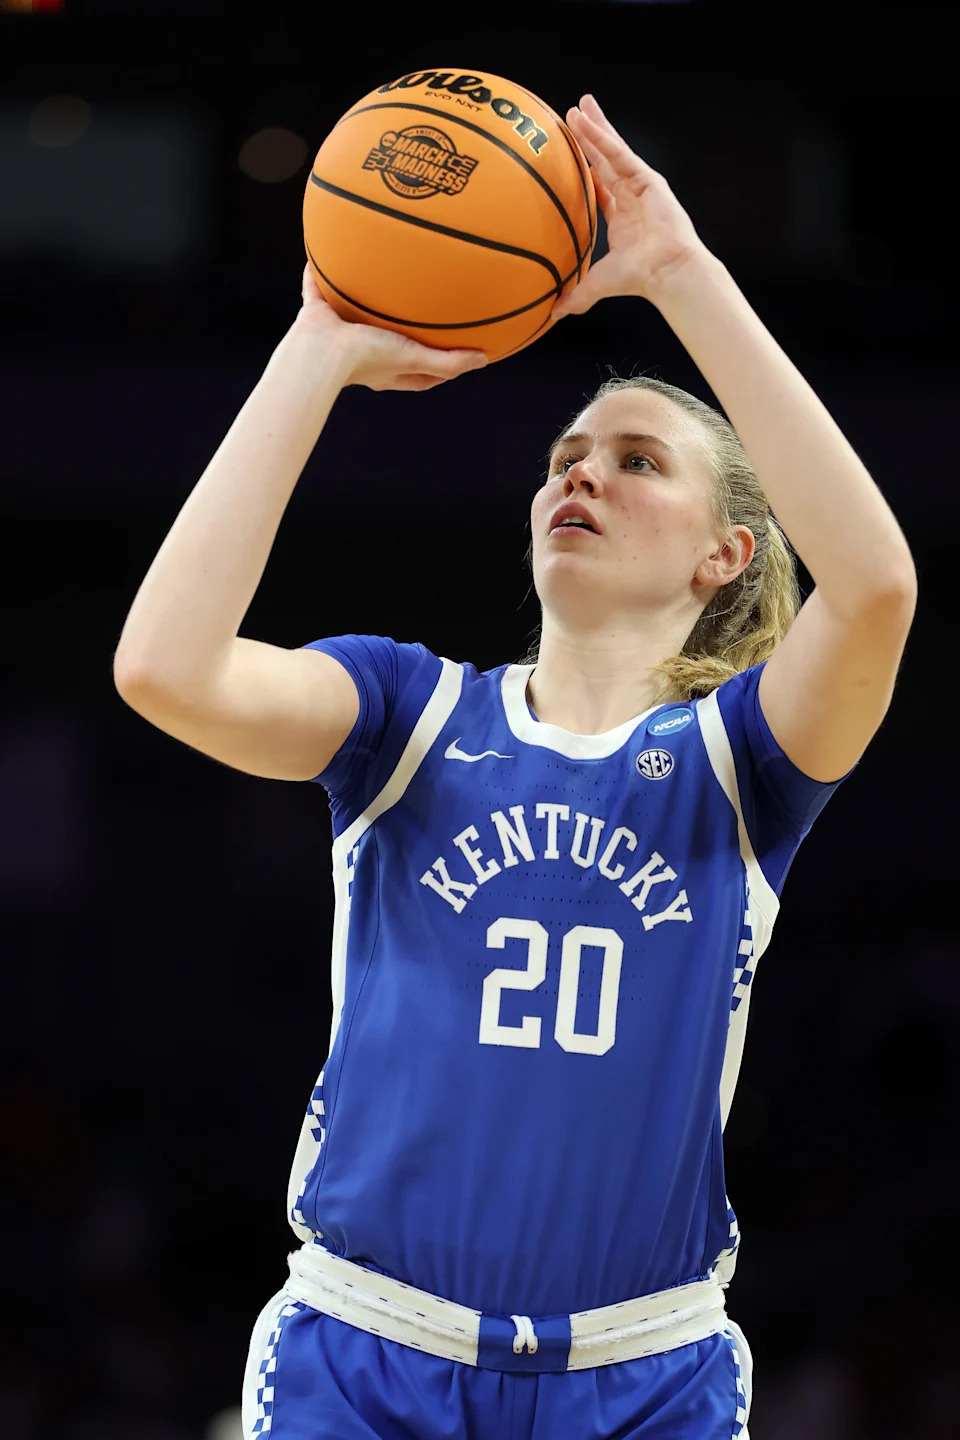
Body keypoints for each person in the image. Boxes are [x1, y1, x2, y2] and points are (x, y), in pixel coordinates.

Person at [113, 94, 916, 1439]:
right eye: (565, 459)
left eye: (637, 462)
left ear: (724, 555)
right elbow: (163, 669)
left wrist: (681, 272)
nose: (581, 477)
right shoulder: (406, 713)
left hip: (643, 1375)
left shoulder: (742, 763)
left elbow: (877, 586)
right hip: (368, 1353)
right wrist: (317, 348)